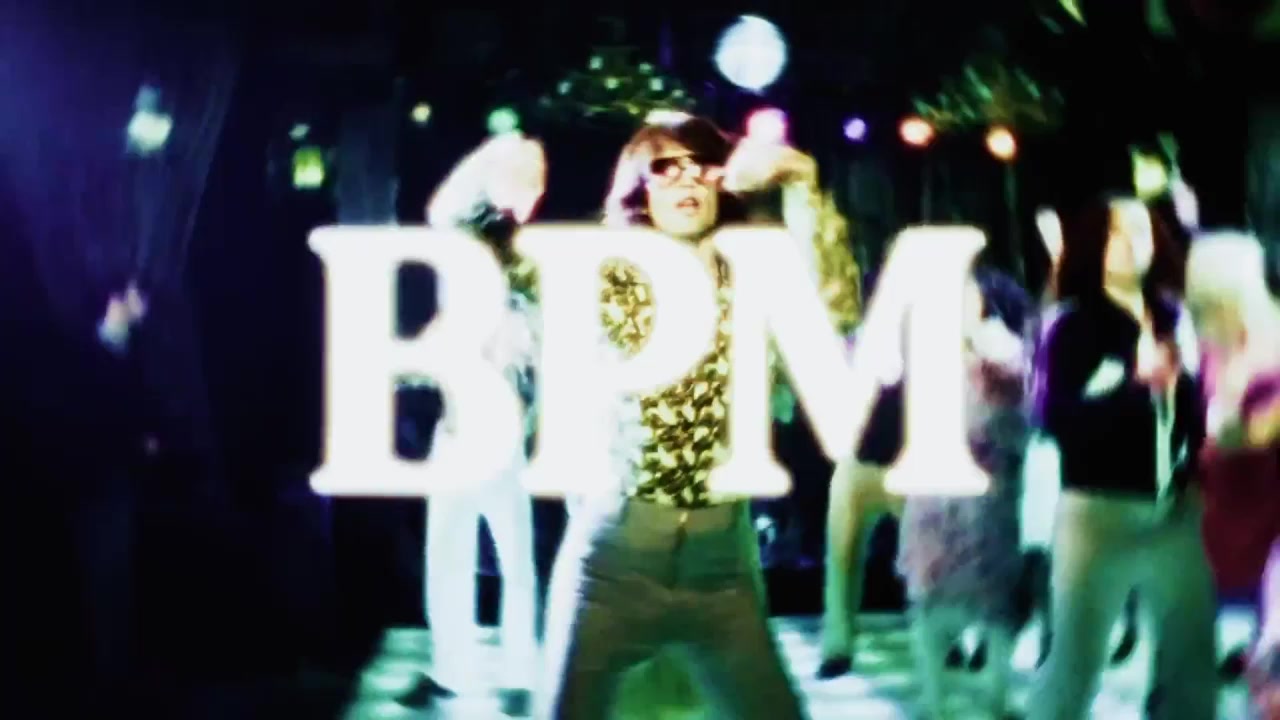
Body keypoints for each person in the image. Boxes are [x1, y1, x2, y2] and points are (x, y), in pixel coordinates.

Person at [537, 114, 860, 719]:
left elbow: (835, 307)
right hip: (612, 567)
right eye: (666, 167)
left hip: (723, 569)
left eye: (701, 166)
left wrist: (801, 180)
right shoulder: (608, 267)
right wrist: (483, 199)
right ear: (640, 187)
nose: (687, 178)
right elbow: (507, 268)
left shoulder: (753, 271)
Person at [1027, 196, 1217, 720]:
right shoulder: (1073, 325)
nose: (1133, 242)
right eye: (1118, 232)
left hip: (1176, 510)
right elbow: (1056, 421)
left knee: (1190, 669)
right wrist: (1133, 385)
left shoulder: (1174, 318)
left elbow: (1196, 412)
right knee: (1073, 666)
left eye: (1141, 230)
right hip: (1098, 515)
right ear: (1095, 244)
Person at [400, 132, 547, 716]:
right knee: (448, 553)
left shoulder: (528, 271)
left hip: (502, 432)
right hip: (456, 430)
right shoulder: (463, 256)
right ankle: (451, 669)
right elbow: (444, 208)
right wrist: (499, 151)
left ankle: (519, 673)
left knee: (514, 557)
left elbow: (538, 357)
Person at [897, 268, 1034, 719]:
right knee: (930, 596)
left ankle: (996, 693)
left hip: (991, 494)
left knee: (996, 598)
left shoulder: (1000, 344)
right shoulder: (924, 349)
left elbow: (1024, 397)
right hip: (935, 495)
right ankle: (934, 700)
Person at [1185, 231, 1280, 684]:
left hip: (1265, 506)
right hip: (1227, 505)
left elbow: (1243, 433)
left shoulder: (1268, 338)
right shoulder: (1211, 347)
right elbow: (1216, 428)